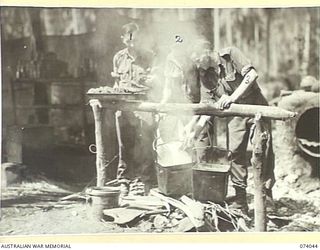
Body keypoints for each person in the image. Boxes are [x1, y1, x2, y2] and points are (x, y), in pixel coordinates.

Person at [186, 39, 275, 214]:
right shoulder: (205, 75)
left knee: (263, 152)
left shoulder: (230, 54)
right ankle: (241, 201)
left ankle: (267, 198)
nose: (197, 65)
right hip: (236, 114)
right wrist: (194, 130)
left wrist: (231, 97)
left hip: (257, 106)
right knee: (234, 153)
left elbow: (252, 76)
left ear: (207, 52)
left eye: (198, 59)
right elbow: (208, 106)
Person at [112, 23, 157, 194]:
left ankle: (146, 181)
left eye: (136, 40)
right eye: (129, 40)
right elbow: (116, 81)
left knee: (145, 144)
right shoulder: (118, 58)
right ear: (123, 39)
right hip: (124, 106)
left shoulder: (149, 57)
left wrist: (153, 80)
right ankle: (124, 180)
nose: (133, 44)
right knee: (125, 145)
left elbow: (157, 82)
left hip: (144, 105)